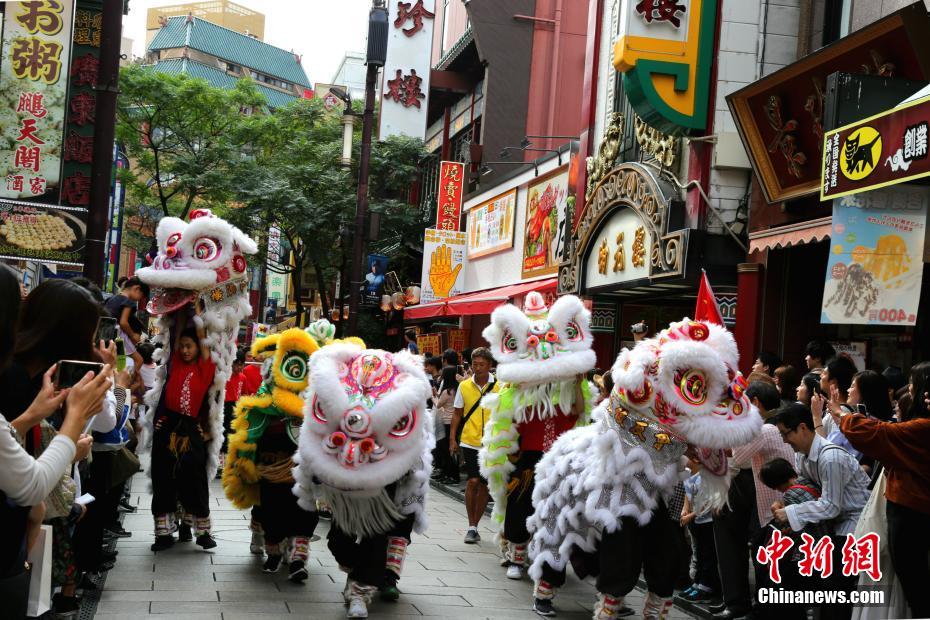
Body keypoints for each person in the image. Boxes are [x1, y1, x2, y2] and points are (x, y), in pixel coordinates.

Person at [839, 361, 930, 619]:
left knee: (916, 590)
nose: (908, 390)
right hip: (906, 513)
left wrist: (845, 415)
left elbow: (876, 433)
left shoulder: (921, 428)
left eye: (913, 385)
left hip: (910, 514)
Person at [773, 403, 870, 620]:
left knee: (832, 576)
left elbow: (830, 505)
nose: (784, 440)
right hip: (830, 523)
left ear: (803, 428)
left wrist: (791, 513)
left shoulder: (830, 457)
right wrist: (784, 504)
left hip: (856, 522)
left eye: (785, 434)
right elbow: (806, 490)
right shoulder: (802, 455)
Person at [713, 381, 792, 620]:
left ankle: (757, 608)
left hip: (771, 502)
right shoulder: (775, 423)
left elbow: (738, 455)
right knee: (764, 556)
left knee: (766, 557)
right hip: (770, 497)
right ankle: (753, 607)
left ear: (755, 402)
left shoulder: (765, 429)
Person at [150, 304, 217, 551]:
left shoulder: (204, 367)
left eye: (190, 347)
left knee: (195, 480)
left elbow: (201, 336)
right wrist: (178, 309)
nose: (185, 350)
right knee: (163, 478)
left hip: (190, 429)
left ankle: (203, 533)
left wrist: (197, 310)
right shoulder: (176, 362)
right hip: (168, 425)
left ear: (198, 349)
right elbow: (177, 334)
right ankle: (164, 534)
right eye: (183, 347)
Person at [449, 347, 498, 544]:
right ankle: (471, 526)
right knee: (472, 482)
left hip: (493, 442)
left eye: (482, 365)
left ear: (490, 366)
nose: (477, 368)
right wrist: (452, 439)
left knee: (485, 485)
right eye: (475, 364)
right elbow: (457, 413)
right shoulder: (464, 386)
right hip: (469, 440)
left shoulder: (500, 386)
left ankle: (476, 525)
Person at [679, 457, 720, 604]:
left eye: (689, 456)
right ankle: (697, 583)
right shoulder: (689, 473)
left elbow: (706, 503)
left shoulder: (705, 477)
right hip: (695, 520)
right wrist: (685, 509)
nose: (685, 459)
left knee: (708, 554)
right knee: (699, 553)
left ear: (697, 460)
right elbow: (687, 493)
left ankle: (706, 586)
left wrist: (690, 515)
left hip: (706, 521)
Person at [103, 276, 149, 370]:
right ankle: (128, 382)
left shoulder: (111, 298)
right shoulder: (128, 302)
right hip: (118, 334)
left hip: (104, 332)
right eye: (141, 296)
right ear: (137, 289)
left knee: (114, 362)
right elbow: (123, 322)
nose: (138, 300)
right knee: (138, 360)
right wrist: (132, 335)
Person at [432, 366, 459, 484]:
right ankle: (450, 474)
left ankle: (451, 475)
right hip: (455, 422)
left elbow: (438, 405)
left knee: (446, 450)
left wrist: (433, 396)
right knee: (451, 451)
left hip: (446, 422)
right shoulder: (458, 389)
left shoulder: (446, 391)